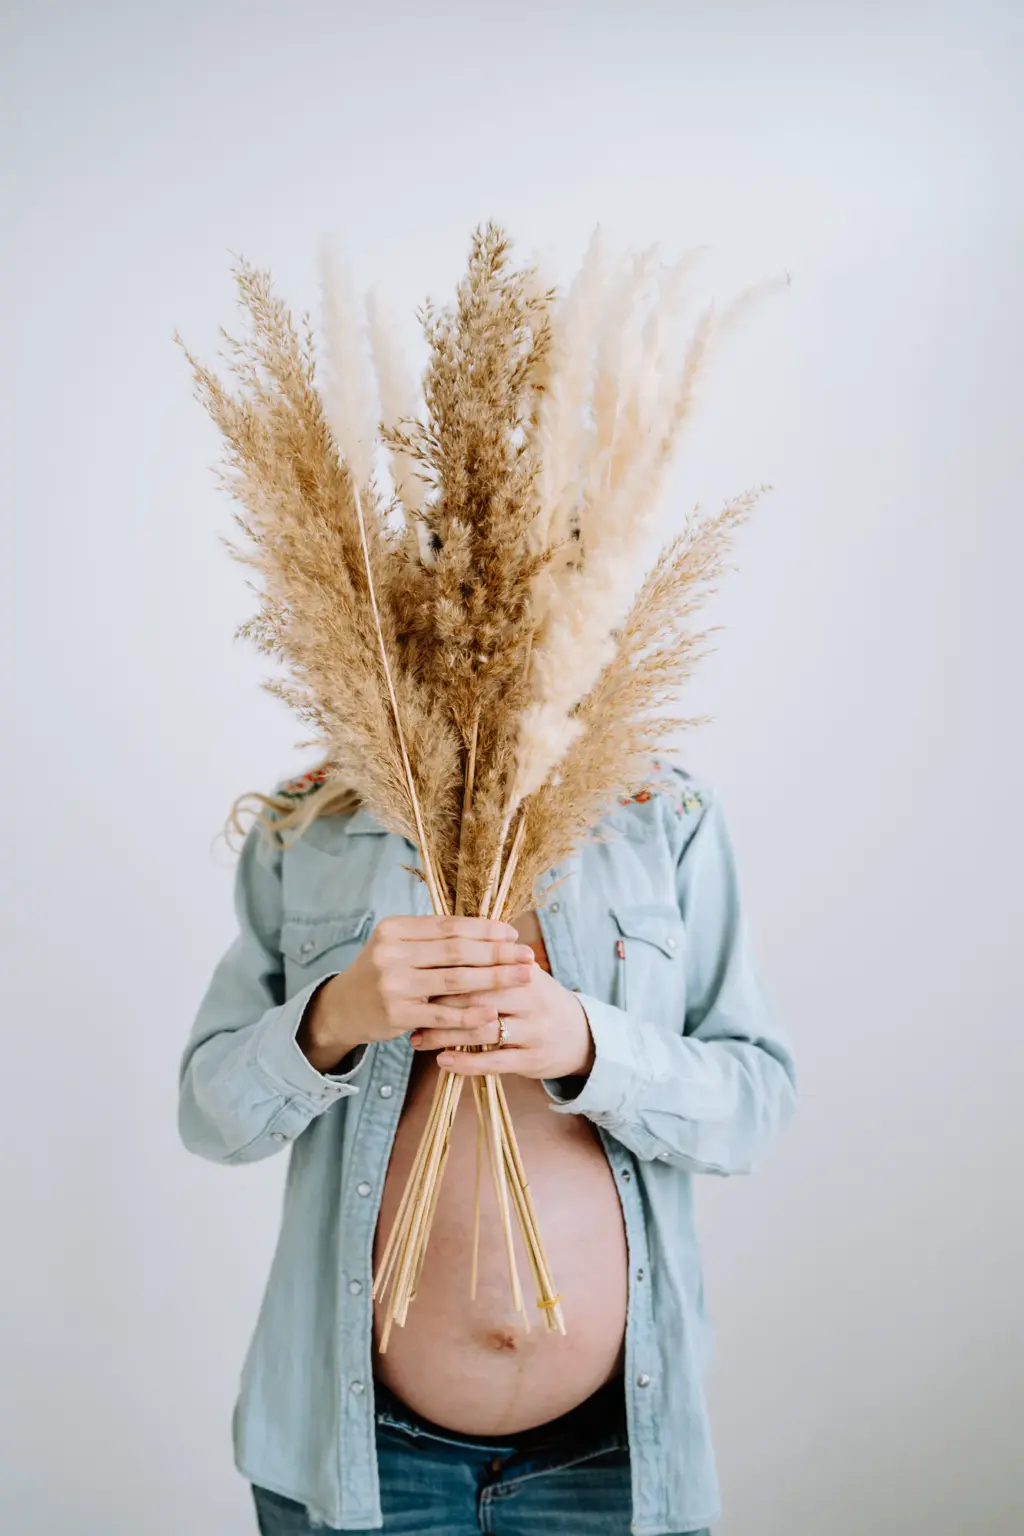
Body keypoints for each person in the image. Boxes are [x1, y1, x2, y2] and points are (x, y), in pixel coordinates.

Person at [178, 756, 798, 1536]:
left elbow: (757, 1104)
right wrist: (334, 1017)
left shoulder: (662, 811)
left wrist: (588, 1044)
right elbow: (210, 1117)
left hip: (615, 1466)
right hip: (361, 1460)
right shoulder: (312, 818)